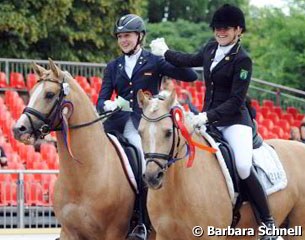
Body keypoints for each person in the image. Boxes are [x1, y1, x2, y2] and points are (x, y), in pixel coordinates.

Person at [150, 4, 281, 239]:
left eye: (226, 29)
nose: (220, 32)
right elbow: (188, 59)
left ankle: (267, 223)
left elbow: (235, 100)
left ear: (238, 30)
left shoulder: (243, 60)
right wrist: (166, 52)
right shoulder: (211, 48)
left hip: (234, 121)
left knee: (242, 165)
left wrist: (206, 116)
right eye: (217, 28)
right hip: (208, 119)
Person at [96, 13, 197, 240]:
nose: (124, 40)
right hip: (115, 119)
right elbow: (100, 101)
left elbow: (190, 76)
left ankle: (141, 222)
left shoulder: (154, 60)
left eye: (128, 36)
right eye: (120, 37)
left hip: (144, 123)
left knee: (142, 161)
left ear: (140, 36)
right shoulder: (113, 66)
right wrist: (110, 104)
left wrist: (168, 54)